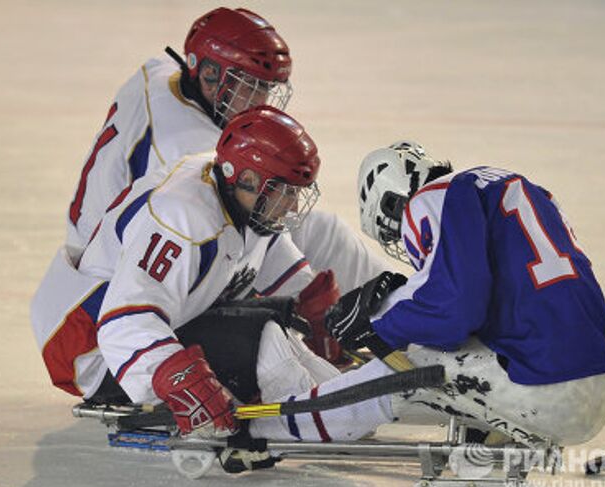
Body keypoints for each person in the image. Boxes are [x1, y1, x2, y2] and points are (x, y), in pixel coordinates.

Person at [55, 6, 390, 366]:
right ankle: (410, 326)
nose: (260, 101)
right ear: (209, 74)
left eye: (265, 88)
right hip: (112, 288)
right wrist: (307, 307)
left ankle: (405, 319)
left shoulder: (162, 73)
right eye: (249, 86)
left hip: (110, 249)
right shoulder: (183, 148)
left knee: (315, 232)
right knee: (313, 238)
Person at [247, 141, 605, 448]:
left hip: (544, 385)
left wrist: (379, 324)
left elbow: (454, 311)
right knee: (426, 364)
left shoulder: (436, 195)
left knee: (408, 366)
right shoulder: (513, 189)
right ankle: (492, 429)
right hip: (592, 386)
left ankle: (271, 424)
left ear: (392, 202)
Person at [32, 107, 346, 467]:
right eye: (283, 191)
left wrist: (314, 306)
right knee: (264, 338)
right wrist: (180, 379)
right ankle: (320, 421)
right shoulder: (180, 219)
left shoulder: (242, 198)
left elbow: (273, 259)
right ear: (243, 178)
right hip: (90, 350)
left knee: (286, 326)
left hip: (157, 322)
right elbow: (124, 323)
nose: (292, 204)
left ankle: (345, 408)